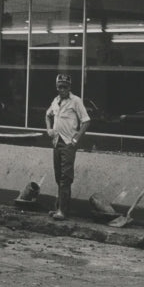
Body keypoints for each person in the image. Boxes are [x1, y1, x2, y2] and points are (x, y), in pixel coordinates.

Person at [45, 74, 90, 220]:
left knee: (66, 177)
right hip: (57, 142)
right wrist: (49, 129)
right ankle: (59, 207)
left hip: (68, 143)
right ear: (56, 87)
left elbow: (86, 121)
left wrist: (76, 138)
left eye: (65, 86)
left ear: (69, 87)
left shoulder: (76, 101)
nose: (62, 89)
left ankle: (63, 211)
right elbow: (47, 115)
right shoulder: (55, 101)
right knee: (58, 175)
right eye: (60, 86)